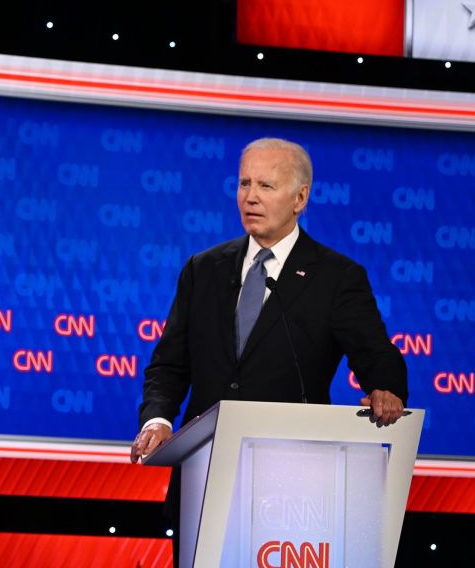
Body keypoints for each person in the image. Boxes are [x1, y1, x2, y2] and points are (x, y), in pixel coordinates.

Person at [128, 138, 408, 547]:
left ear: (300, 198)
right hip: (205, 481)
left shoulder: (335, 277)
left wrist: (387, 388)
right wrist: (157, 420)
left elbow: (376, 354)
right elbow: (169, 365)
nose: (250, 197)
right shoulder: (203, 269)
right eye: (244, 184)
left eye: (266, 186)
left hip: (293, 488)